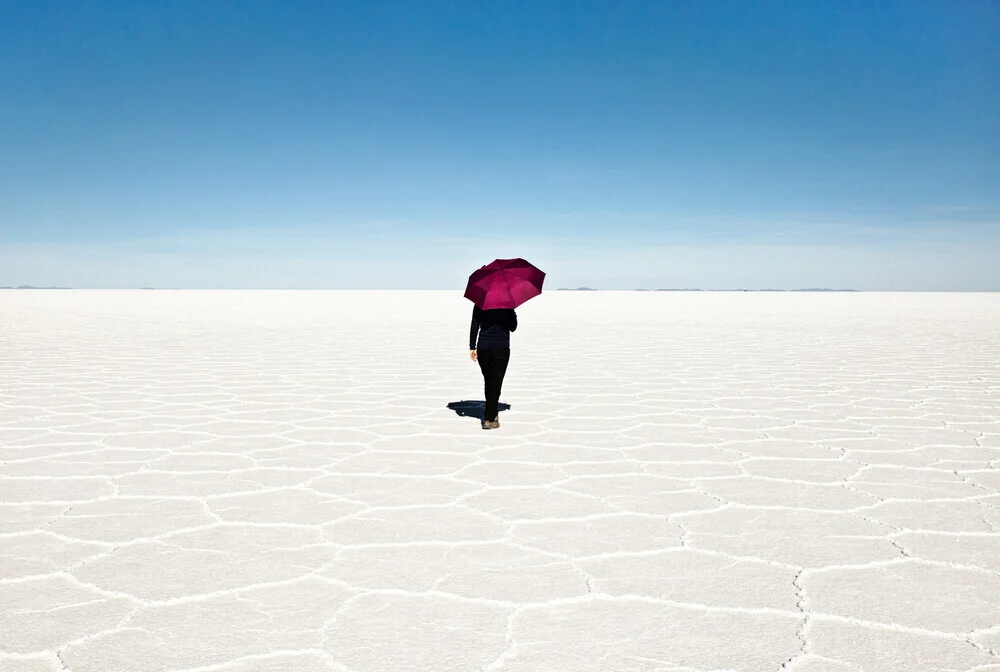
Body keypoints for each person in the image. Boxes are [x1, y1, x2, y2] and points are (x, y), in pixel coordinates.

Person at [469, 305, 517, 430]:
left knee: (489, 381)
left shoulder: (481, 302)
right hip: (501, 348)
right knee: (496, 383)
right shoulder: (507, 304)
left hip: (484, 348)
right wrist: (512, 313)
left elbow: (474, 325)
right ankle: (490, 418)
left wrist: (472, 347)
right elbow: (513, 327)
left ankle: (490, 413)